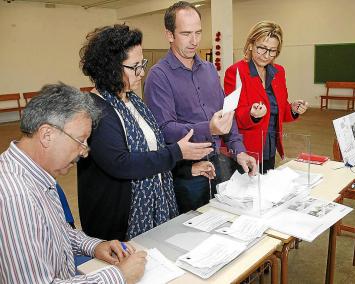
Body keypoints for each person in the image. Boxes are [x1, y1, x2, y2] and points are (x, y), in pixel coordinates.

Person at [78, 24, 214, 241]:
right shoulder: (96, 110)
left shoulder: (134, 102)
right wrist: (177, 153)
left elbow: (153, 152)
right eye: (135, 67)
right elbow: (122, 163)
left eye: (142, 64)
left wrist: (188, 169)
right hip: (118, 225)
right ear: (110, 68)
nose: (141, 73)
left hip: (157, 212)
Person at [0, 83, 146, 283]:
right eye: (80, 140)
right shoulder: (17, 196)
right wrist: (118, 276)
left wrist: (94, 246)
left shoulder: (34, 173)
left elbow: (55, 232)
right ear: (46, 135)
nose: (84, 151)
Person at [144, 1, 257, 213]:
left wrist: (239, 150)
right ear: (170, 35)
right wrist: (209, 129)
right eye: (186, 33)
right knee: (191, 230)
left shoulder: (209, 70)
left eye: (198, 32)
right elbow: (164, 129)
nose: (194, 41)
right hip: (187, 172)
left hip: (218, 163)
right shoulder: (159, 76)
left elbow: (226, 113)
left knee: (224, 222)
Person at [224, 21, 308, 173]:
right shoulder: (235, 72)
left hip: (270, 146)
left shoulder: (279, 72)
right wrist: (252, 114)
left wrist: (293, 109)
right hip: (246, 149)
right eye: (261, 48)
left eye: (272, 51)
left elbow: (280, 110)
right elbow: (231, 116)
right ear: (250, 44)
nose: (266, 55)